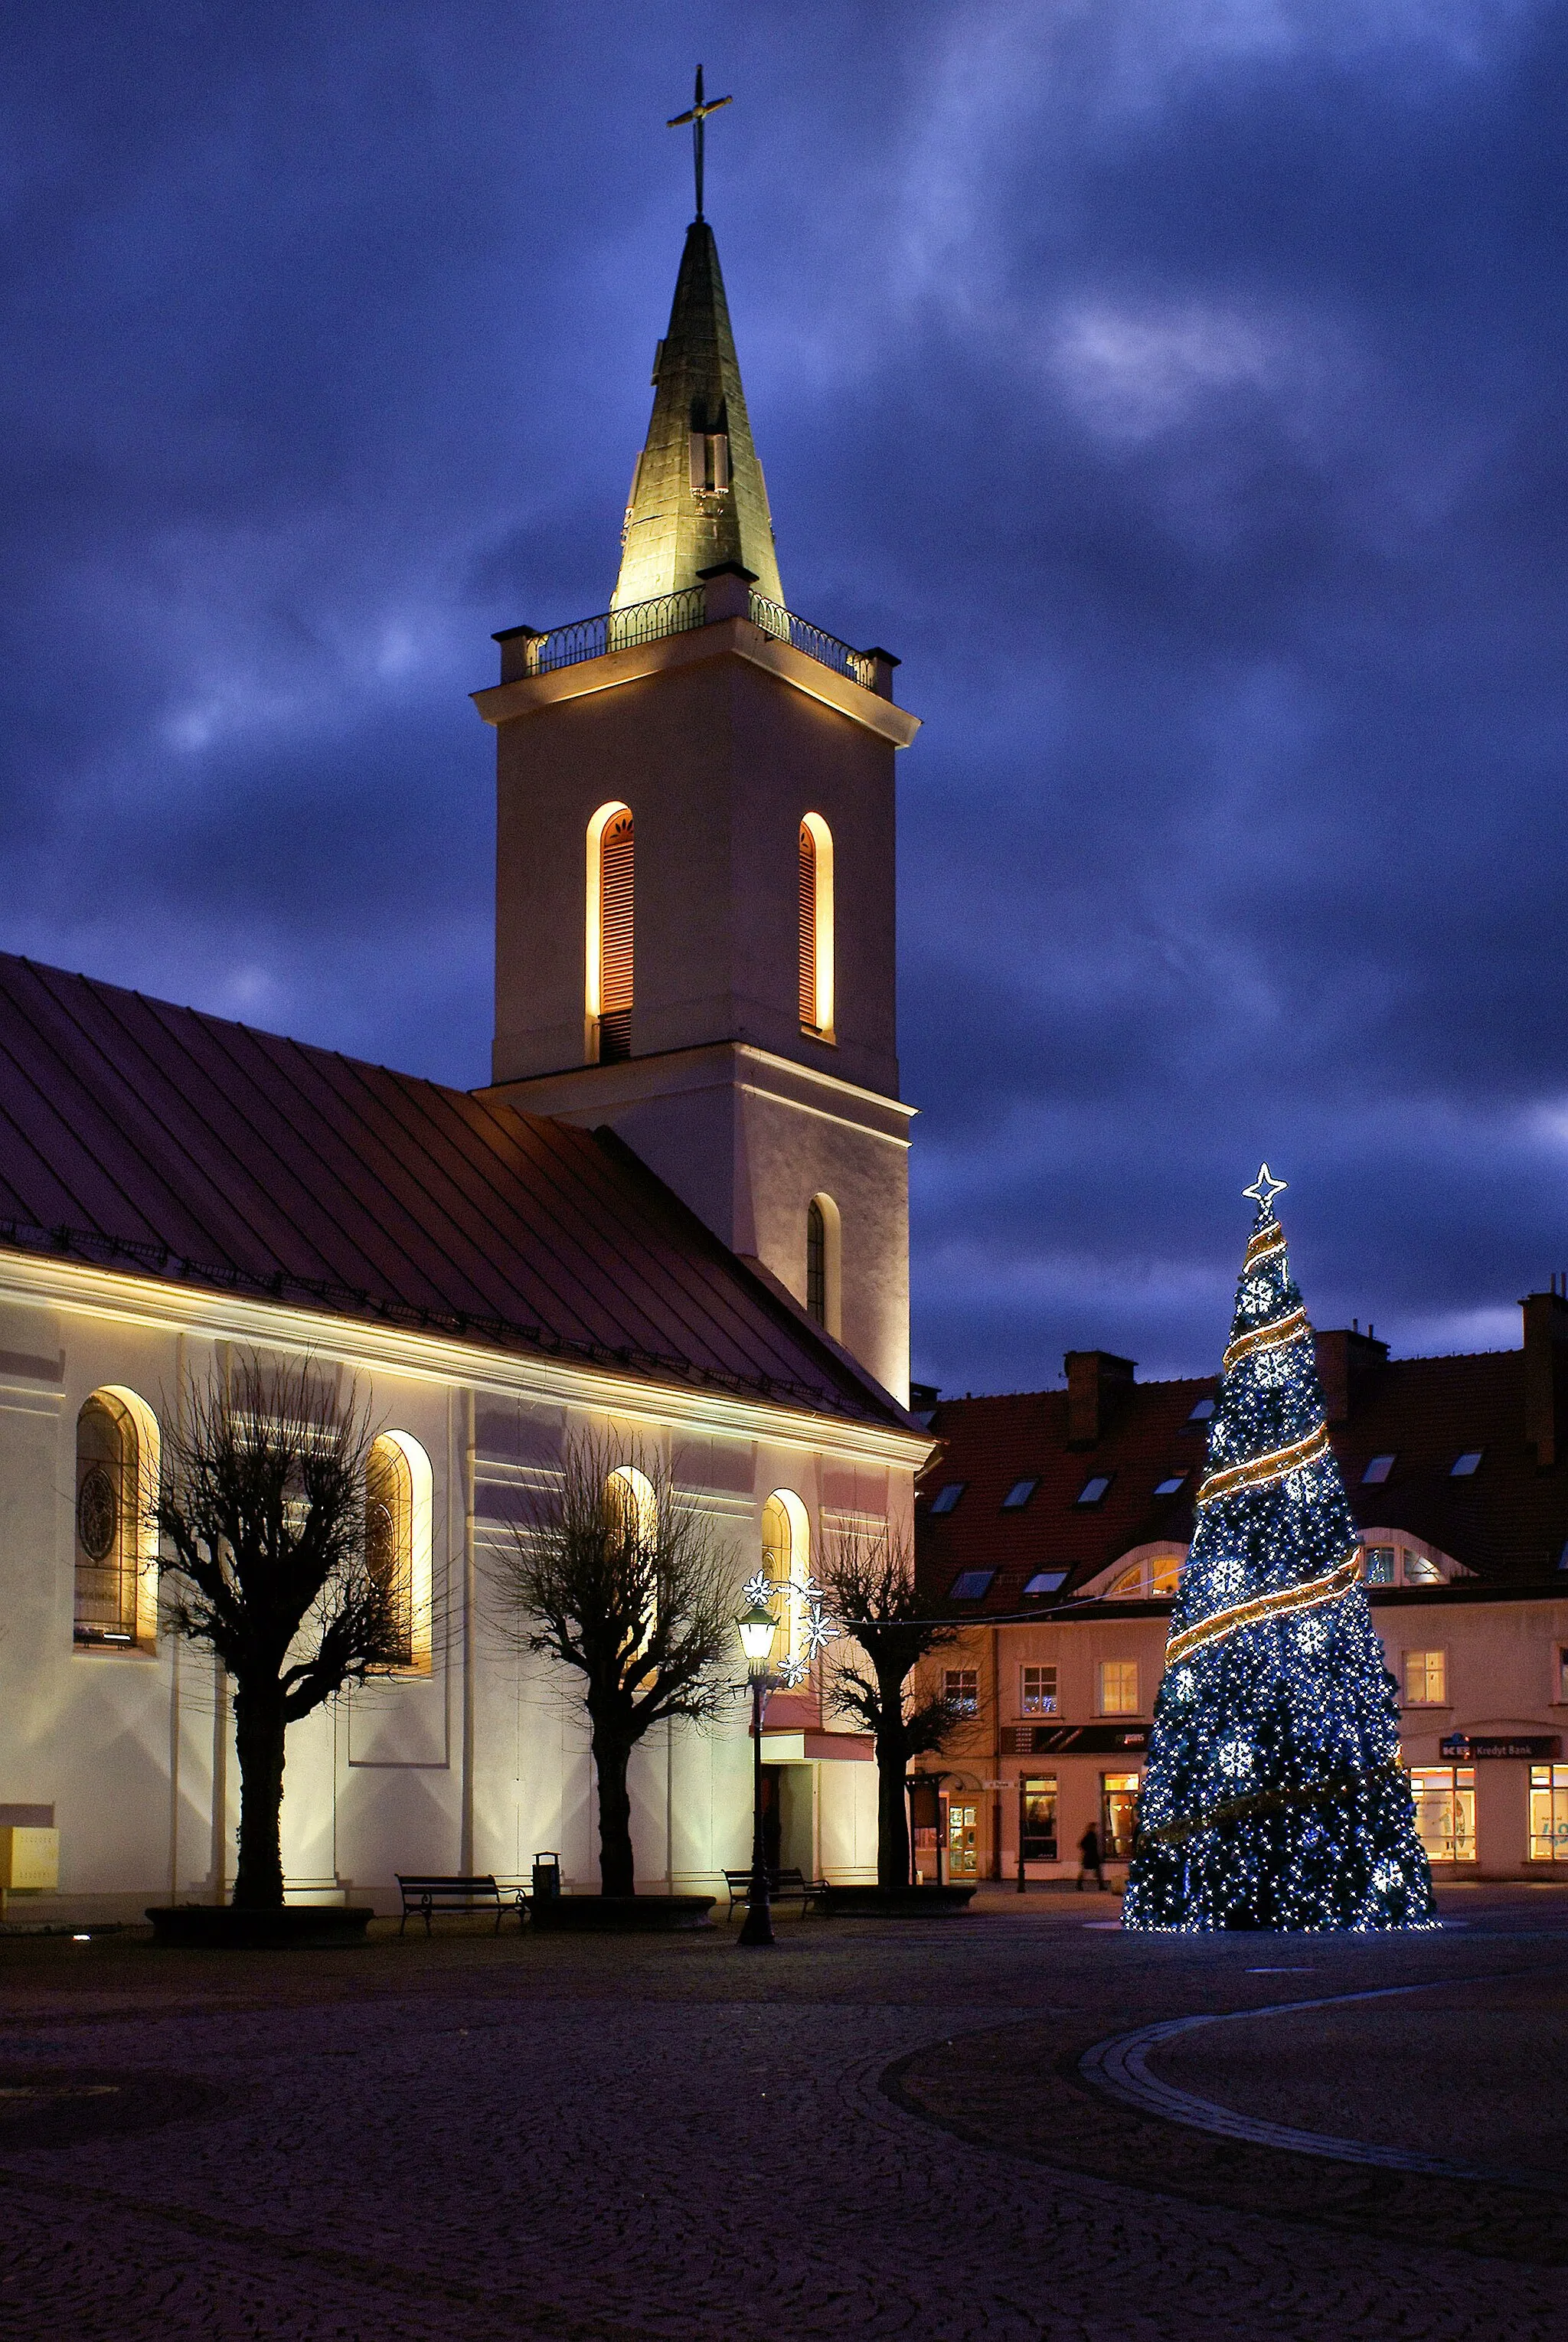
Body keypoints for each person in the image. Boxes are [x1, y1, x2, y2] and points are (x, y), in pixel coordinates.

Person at [1077, 1821, 1106, 1891]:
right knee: (1093, 1871)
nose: (1095, 1828)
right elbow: (1081, 1844)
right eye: (1094, 1827)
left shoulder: (1090, 1835)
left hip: (1090, 1856)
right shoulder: (1090, 1835)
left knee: (1089, 1871)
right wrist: (1088, 1850)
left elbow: (1081, 1844)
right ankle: (1100, 1886)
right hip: (1091, 1856)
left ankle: (1079, 1885)